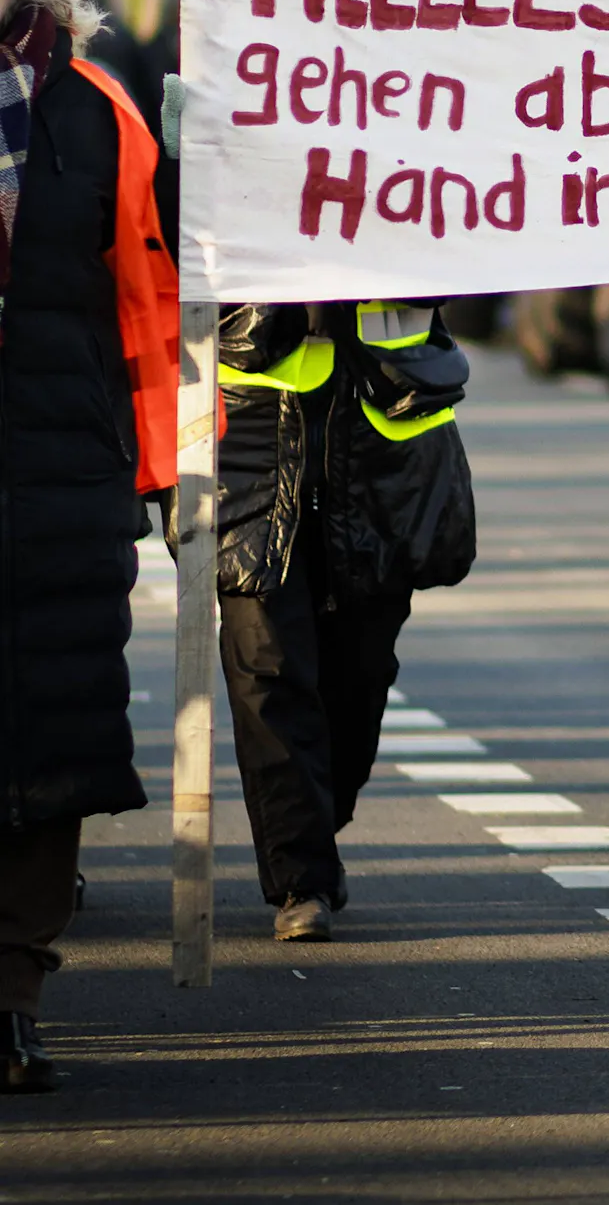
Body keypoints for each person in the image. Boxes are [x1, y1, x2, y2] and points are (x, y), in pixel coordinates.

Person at [0, 0, 177, 1093]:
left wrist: (165, 467)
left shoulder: (97, 110)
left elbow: (149, 303)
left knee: (46, 739)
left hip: (60, 475)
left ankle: (13, 990)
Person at [216, 299, 476, 939]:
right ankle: (301, 881)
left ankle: (312, 827)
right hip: (250, 433)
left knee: (358, 675)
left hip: (384, 436)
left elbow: (466, 238)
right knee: (267, 665)